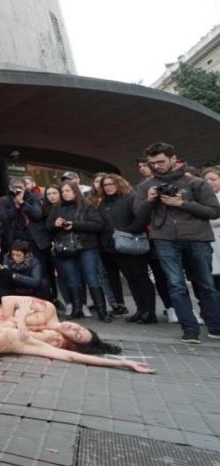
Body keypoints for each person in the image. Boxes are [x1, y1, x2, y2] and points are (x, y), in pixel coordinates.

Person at [134, 142, 220, 343]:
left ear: (174, 159)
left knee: (205, 284)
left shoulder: (196, 183)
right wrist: (149, 201)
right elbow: (139, 216)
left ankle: (215, 326)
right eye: (153, 162)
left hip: (197, 238)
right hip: (165, 239)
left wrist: (183, 204)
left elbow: (214, 211)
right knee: (176, 285)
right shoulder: (146, 186)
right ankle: (189, 329)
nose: (157, 166)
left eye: (161, 161)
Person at [96, 174, 157, 323]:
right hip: (115, 247)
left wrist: (130, 231)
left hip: (133, 243)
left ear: (119, 184)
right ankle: (140, 309)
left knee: (141, 277)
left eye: (111, 184)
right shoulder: (103, 203)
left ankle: (149, 312)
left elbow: (142, 217)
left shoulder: (130, 198)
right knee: (130, 278)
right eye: (105, 185)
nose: (108, 187)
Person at [48, 182, 110, 322]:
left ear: (75, 191)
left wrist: (75, 225)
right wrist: (55, 224)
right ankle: (77, 309)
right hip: (65, 248)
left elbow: (98, 225)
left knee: (91, 277)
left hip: (86, 246)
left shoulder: (87, 205)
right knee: (72, 278)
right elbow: (48, 227)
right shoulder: (57, 208)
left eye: (68, 190)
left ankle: (102, 311)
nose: (65, 193)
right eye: (63, 191)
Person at [0, 178, 54, 303]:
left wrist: (23, 202)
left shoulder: (32, 197)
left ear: (25, 187)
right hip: (16, 240)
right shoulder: (6, 200)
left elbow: (37, 214)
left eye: (20, 187)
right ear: (10, 187)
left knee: (42, 271)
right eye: (15, 187)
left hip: (34, 240)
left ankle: (49, 299)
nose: (18, 190)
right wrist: (15, 206)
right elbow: (4, 218)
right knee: (17, 270)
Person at [204, 166, 220, 291]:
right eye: (206, 180)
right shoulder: (201, 198)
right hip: (209, 241)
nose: (209, 182)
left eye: (213, 179)